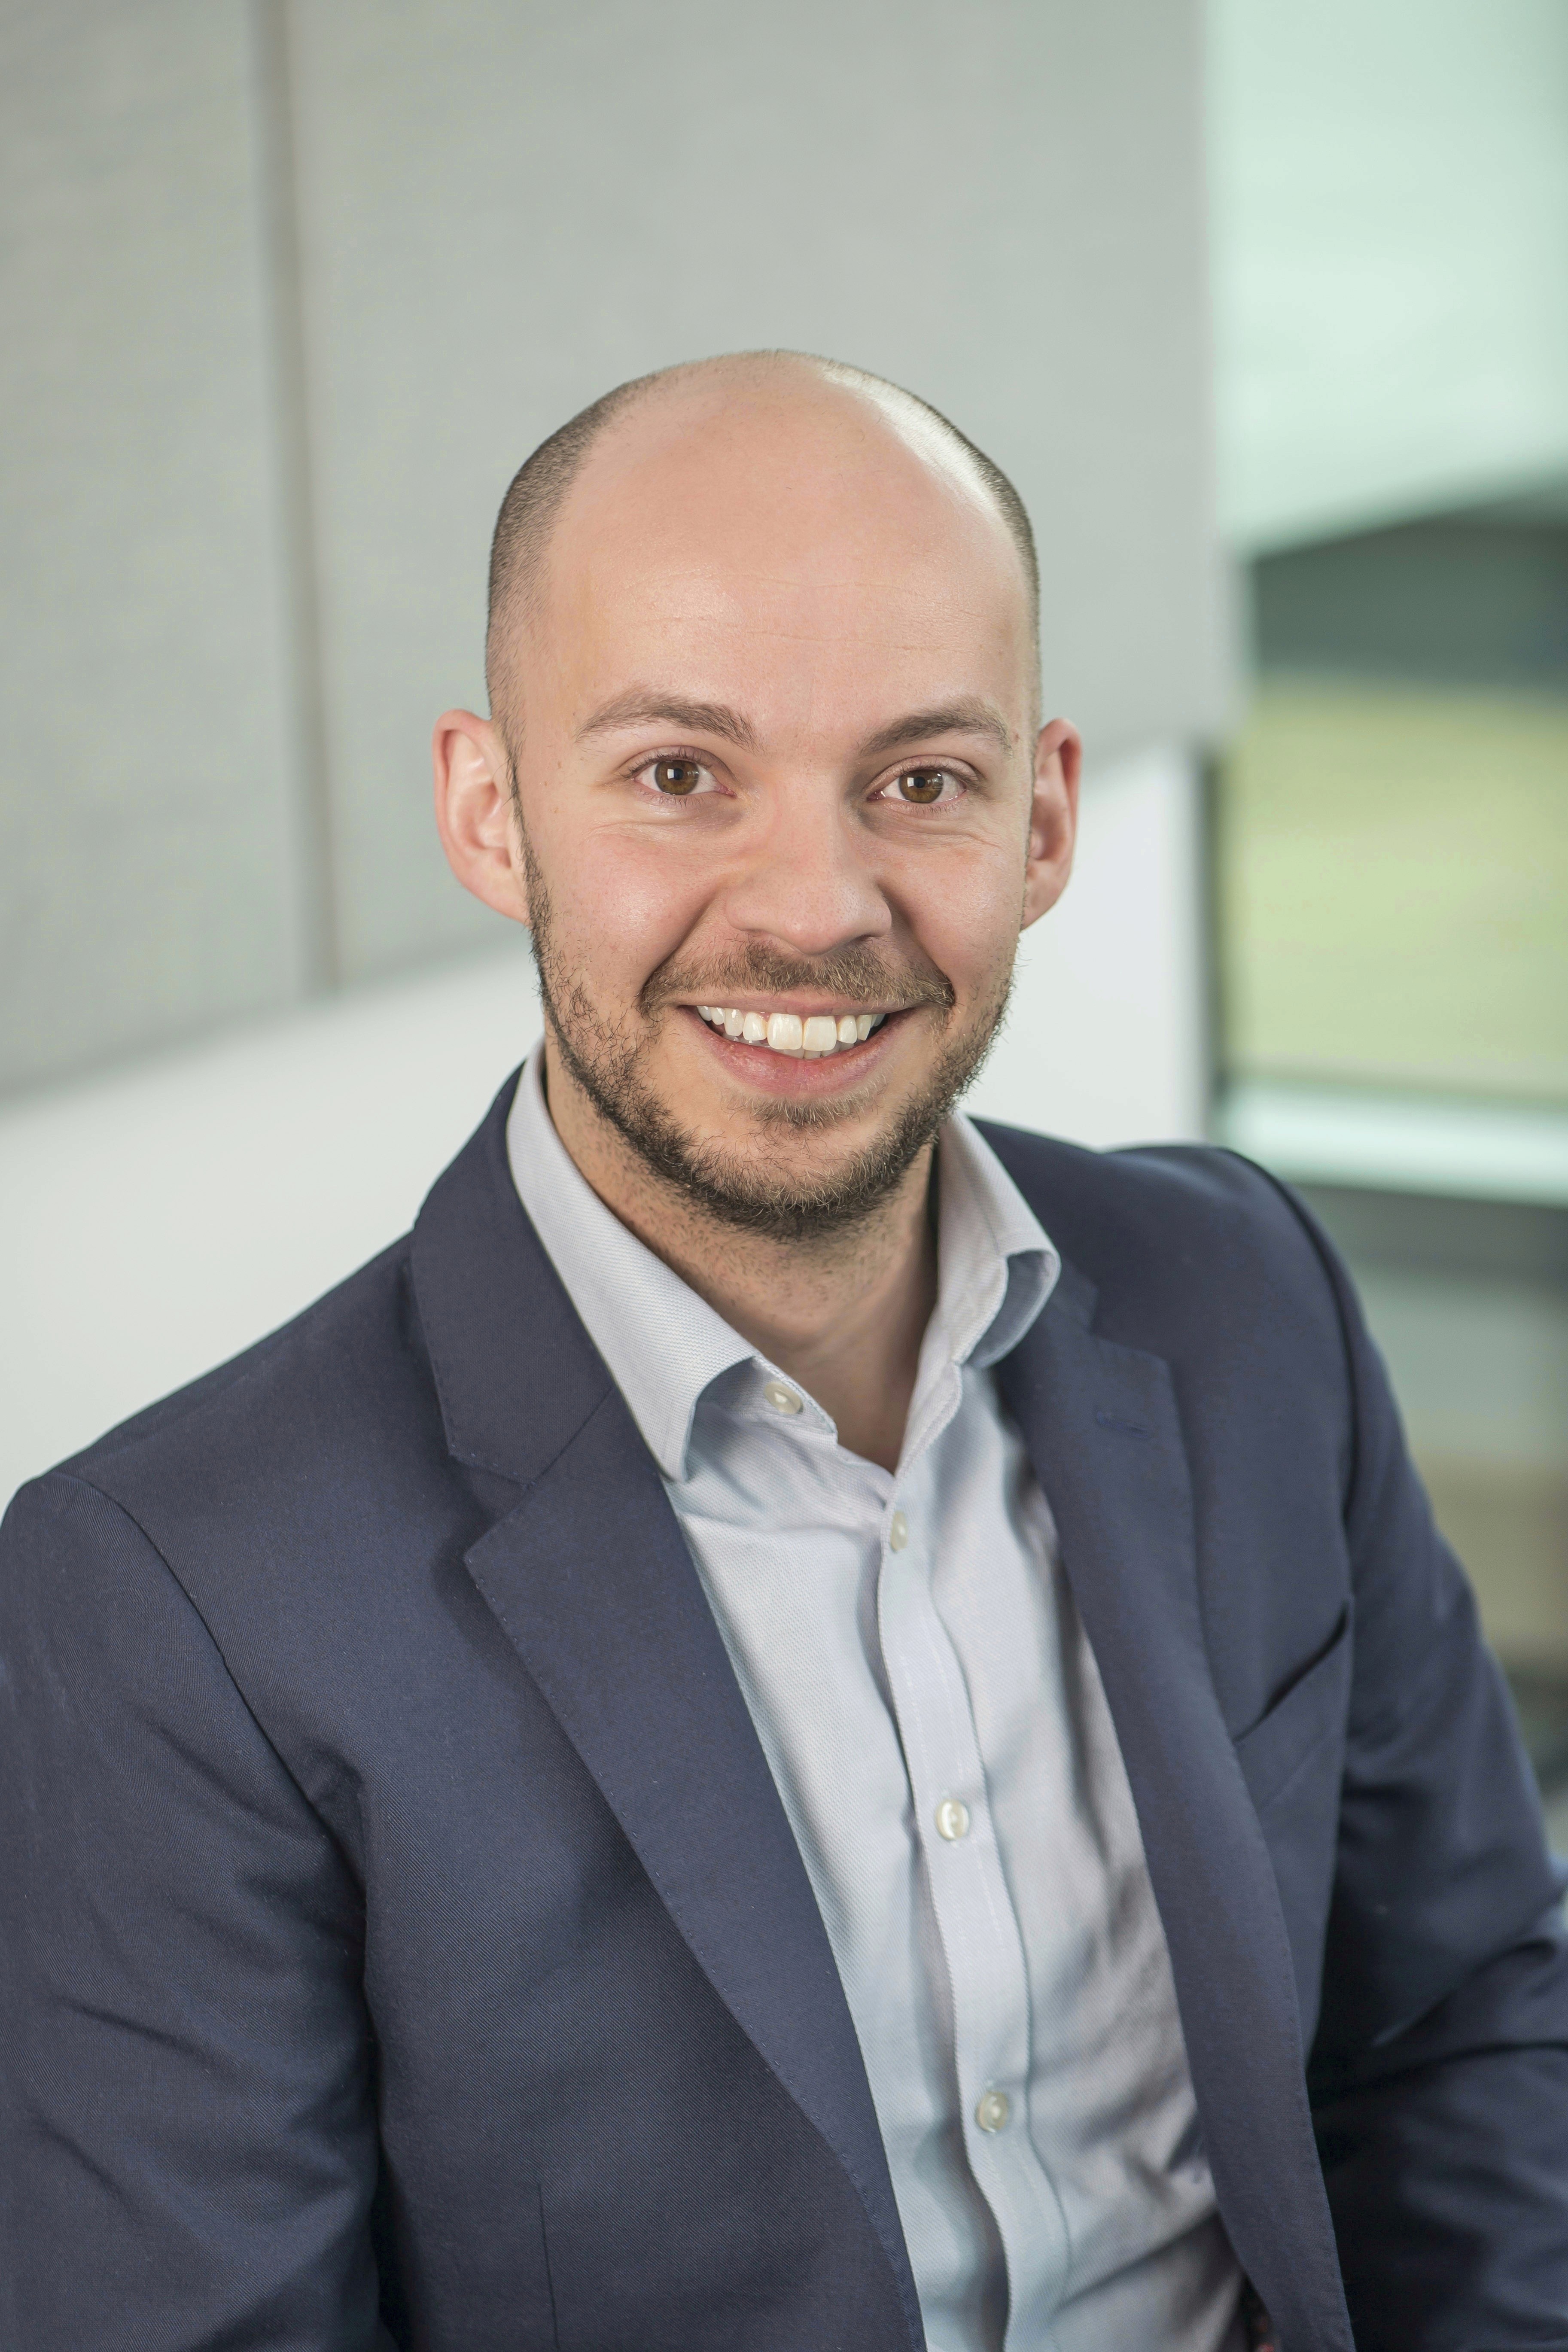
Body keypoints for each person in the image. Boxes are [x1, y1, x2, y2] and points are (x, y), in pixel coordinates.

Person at [2, 353, 1565, 2352]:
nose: (816, 906)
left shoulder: (1245, 1296)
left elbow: (1466, 2017)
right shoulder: (167, 1594)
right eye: (679, 775)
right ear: (490, 810)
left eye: (920, 780)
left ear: (1044, 817)